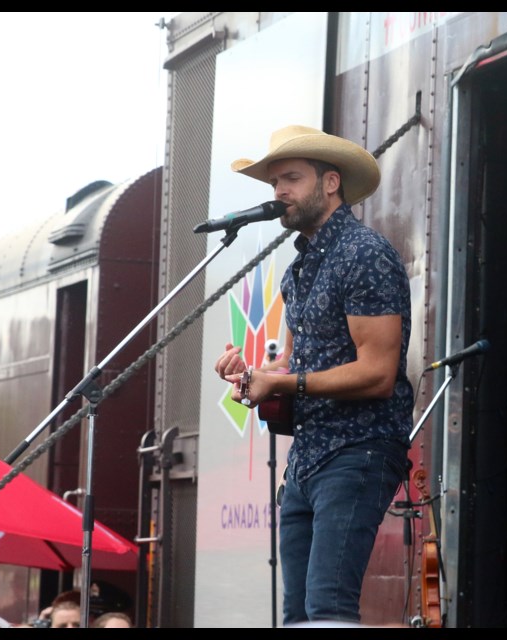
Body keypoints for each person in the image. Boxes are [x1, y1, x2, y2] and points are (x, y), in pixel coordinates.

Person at [214, 124, 414, 625]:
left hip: (358, 450)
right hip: (308, 458)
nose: (279, 192)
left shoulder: (363, 254)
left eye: (290, 179)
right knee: (299, 616)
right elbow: (297, 365)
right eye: (274, 182)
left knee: (328, 608)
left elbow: (377, 373)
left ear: (330, 183)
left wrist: (282, 382)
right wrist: (255, 373)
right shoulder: (299, 268)